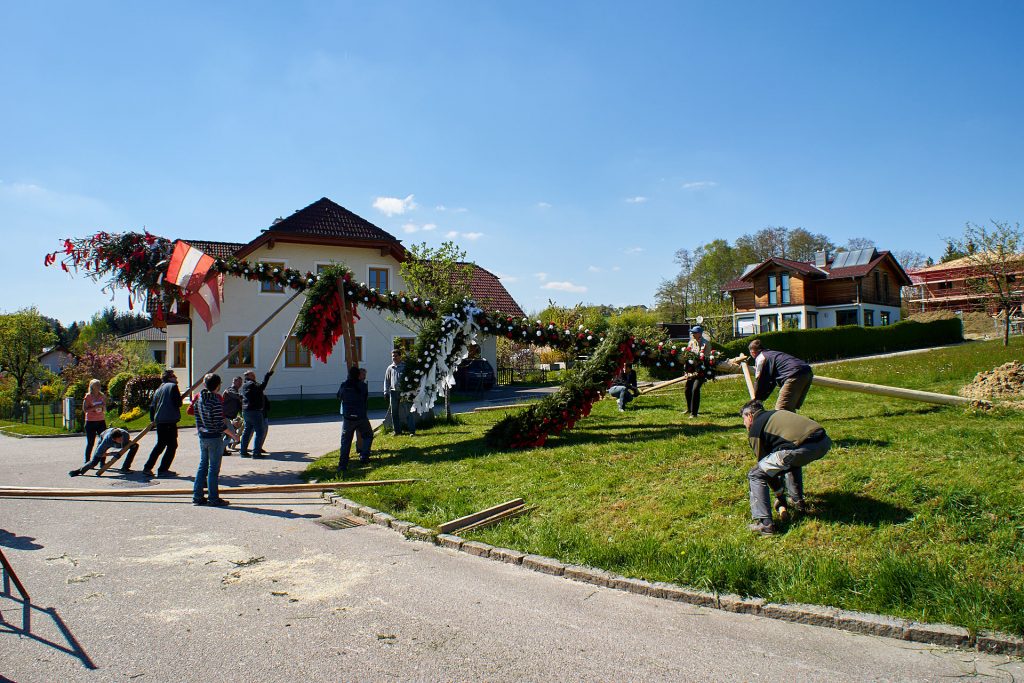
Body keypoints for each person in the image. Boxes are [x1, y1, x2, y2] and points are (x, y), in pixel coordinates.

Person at [740, 399, 831, 536]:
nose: (744, 424)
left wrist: (779, 494)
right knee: (788, 458)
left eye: (743, 419)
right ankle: (797, 502)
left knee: (755, 474)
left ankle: (765, 525)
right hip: (823, 441)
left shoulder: (755, 429)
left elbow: (765, 469)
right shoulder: (777, 414)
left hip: (802, 448)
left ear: (750, 416)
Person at [192, 373, 237, 507]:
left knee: (203, 466)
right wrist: (234, 435)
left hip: (203, 436)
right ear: (218, 386)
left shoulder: (199, 398)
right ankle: (213, 498)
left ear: (204, 385)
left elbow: (197, 419)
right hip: (214, 438)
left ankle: (197, 496)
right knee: (213, 469)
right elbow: (219, 424)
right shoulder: (215, 400)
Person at [747, 339, 814, 411]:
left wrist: (756, 399)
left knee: (782, 409)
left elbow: (759, 380)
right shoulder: (772, 353)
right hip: (807, 372)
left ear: (753, 352)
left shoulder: (761, 358)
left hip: (793, 374)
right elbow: (770, 381)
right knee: (791, 406)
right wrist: (760, 398)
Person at [142, 370, 183, 477]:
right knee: (172, 445)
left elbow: (152, 406)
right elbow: (178, 403)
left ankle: (148, 467)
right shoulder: (173, 387)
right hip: (169, 420)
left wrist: (153, 420)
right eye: (174, 376)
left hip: (160, 421)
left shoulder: (159, 388)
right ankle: (162, 469)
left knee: (160, 445)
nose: (176, 378)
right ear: (170, 378)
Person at [336, 365, 373, 477]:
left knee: (345, 442)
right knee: (368, 435)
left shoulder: (344, 385)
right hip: (361, 417)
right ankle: (364, 456)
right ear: (358, 375)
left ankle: (342, 465)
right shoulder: (363, 386)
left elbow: (339, 396)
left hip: (348, 418)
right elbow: (365, 398)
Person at [69, 427, 138, 476]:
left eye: (121, 438)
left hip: (114, 434)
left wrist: (128, 445)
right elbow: (99, 454)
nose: (121, 440)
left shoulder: (125, 435)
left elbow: (126, 444)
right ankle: (79, 471)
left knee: (135, 446)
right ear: (113, 439)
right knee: (94, 462)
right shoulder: (106, 441)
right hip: (103, 435)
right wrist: (112, 454)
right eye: (119, 439)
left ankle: (125, 468)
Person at [239, 369, 273, 458]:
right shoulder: (251, 384)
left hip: (246, 411)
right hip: (254, 411)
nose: (254, 376)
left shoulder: (245, 385)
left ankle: (243, 452)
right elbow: (262, 387)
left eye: (254, 375)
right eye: (252, 375)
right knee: (260, 431)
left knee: (247, 431)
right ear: (247, 376)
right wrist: (267, 376)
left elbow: (259, 388)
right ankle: (256, 453)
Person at [383, 349, 415, 435]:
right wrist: (386, 392)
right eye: (393, 356)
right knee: (394, 413)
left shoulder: (405, 366)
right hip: (393, 393)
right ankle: (397, 431)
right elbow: (387, 381)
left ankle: (412, 431)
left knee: (408, 411)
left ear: (400, 356)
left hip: (404, 393)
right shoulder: (390, 368)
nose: (394, 358)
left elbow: (410, 379)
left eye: (396, 356)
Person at [684, 325, 711, 418]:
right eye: (692, 332)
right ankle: (689, 409)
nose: (692, 334)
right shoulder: (691, 343)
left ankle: (694, 414)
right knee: (687, 389)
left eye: (694, 332)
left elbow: (707, 358)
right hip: (692, 369)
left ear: (699, 333)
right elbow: (688, 356)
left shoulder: (706, 343)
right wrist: (687, 370)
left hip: (702, 370)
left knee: (695, 389)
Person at [82, 379, 108, 464]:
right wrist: (95, 407)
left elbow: (104, 408)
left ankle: (102, 461)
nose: (99, 387)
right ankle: (87, 461)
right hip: (90, 421)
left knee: (103, 442)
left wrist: (103, 407)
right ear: (92, 387)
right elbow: (85, 409)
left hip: (101, 420)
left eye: (99, 385)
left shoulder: (102, 396)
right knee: (91, 442)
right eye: (97, 385)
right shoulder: (88, 396)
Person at [221, 376, 243, 452]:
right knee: (230, 434)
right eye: (239, 382)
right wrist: (243, 397)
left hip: (231, 417)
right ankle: (221, 449)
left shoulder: (237, 392)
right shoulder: (229, 390)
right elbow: (234, 395)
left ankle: (225, 447)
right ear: (234, 382)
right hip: (225, 416)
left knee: (229, 434)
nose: (240, 384)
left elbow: (239, 404)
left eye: (241, 382)